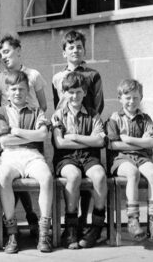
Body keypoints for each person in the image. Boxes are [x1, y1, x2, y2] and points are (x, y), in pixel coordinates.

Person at [0, 34, 45, 236]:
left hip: (31, 129)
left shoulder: (34, 75)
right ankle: (28, 216)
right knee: (12, 176)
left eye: (6, 51)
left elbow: (43, 104)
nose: (3, 57)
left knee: (28, 173)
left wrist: (29, 128)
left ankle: (32, 216)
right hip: (9, 131)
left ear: (18, 50)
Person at [0, 71, 53, 254]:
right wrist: (30, 136)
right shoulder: (1, 111)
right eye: (13, 89)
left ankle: (44, 231)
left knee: (46, 177)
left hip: (32, 154)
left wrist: (15, 131)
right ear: (7, 91)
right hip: (10, 156)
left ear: (27, 90)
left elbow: (43, 135)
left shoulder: (36, 111)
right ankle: (12, 232)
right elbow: (3, 142)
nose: (17, 93)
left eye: (21, 89)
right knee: (3, 176)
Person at [52, 30, 105, 229]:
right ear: (64, 52)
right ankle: (74, 223)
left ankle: (85, 219)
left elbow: (98, 105)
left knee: (90, 178)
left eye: (79, 47)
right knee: (74, 176)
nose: (75, 50)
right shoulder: (58, 77)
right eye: (71, 47)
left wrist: (86, 129)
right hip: (67, 129)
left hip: (88, 126)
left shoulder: (92, 74)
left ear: (84, 50)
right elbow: (59, 105)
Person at [52, 72, 107, 249]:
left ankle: (97, 226)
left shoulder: (93, 114)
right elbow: (60, 143)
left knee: (99, 176)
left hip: (89, 157)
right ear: (64, 93)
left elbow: (99, 141)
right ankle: (71, 228)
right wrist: (87, 139)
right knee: (73, 176)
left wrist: (74, 136)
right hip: (66, 158)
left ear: (84, 92)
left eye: (78, 91)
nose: (74, 96)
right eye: (71, 92)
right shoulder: (58, 115)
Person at [106, 79, 153, 241]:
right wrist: (141, 142)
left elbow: (152, 142)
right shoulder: (114, 118)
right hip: (121, 159)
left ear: (140, 98)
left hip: (142, 157)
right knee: (132, 173)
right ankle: (133, 219)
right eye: (127, 98)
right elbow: (112, 145)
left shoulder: (145, 119)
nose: (131, 101)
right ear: (120, 98)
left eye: (135, 97)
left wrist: (127, 139)